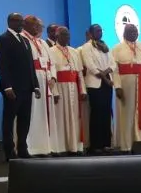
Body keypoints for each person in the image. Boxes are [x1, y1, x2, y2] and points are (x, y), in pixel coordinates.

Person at [0, 13, 40, 160]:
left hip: (27, 88)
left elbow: (30, 65)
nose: (21, 24)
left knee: (24, 120)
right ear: (10, 22)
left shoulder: (25, 40)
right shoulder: (3, 39)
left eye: (22, 21)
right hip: (12, 89)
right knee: (9, 120)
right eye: (18, 21)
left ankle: (23, 149)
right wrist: (7, 87)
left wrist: (36, 85)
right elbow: (3, 64)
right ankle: (9, 151)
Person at [111, 24, 141, 151]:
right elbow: (114, 70)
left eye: (135, 31)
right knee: (127, 114)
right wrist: (117, 87)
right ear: (124, 33)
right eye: (131, 31)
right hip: (126, 84)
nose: (134, 33)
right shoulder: (117, 48)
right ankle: (126, 145)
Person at [49, 26, 86, 154]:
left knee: (75, 117)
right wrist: (54, 91)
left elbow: (79, 73)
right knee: (60, 117)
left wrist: (83, 91)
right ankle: (61, 147)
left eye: (68, 35)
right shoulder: (51, 51)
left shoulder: (74, 51)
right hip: (60, 87)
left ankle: (75, 146)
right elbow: (50, 73)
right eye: (64, 35)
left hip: (74, 88)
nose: (67, 37)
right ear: (57, 36)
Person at [21, 15, 54, 155]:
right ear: (26, 25)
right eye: (35, 26)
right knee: (32, 114)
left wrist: (52, 77)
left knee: (44, 115)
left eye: (39, 26)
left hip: (46, 80)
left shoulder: (42, 43)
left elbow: (51, 62)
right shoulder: (22, 39)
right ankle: (32, 147)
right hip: (31, 80)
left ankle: (44, 147)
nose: (38, 28)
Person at [80, 24, 115, 153]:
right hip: (95, 84)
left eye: (101, 30)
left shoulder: (105, 46)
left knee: (106, 112)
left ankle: (106, 143)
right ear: (90, 33)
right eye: (97, 30)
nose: (100, 32)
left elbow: (113, 63)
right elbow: (90, 65)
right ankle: (96, 144)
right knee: (96, 113)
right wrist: (105, 77)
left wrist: (106, 74)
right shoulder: (87, 47)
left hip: (106, 84)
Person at [77, 29, 92, 150]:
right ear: (87, 35)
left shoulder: (102, 49)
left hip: (100, 86)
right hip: (86, 86)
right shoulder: (80, 50)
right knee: (86, 115)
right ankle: (87, 142)